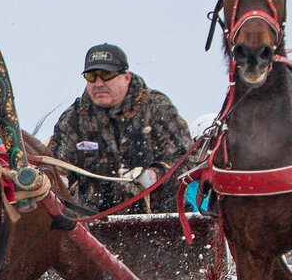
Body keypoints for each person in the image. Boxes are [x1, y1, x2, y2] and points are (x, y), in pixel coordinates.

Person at [50, 43, 190, 213]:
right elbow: (56, 165)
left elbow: (185, 158)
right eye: (91, 76)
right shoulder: (74, 118)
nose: (99, 83)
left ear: (126, 77)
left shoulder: (156, 107)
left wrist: (153, 175)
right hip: (93, 219)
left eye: (106, 75)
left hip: (160, 218)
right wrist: (57, 181)